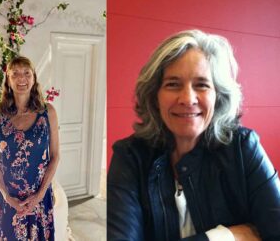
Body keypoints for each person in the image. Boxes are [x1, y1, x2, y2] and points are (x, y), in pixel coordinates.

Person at [107, 30, 280, 241]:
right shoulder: (129, 157)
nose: (188, 99)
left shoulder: (244, 148)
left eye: (202, 85)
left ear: (218, 95)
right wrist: (225, 236)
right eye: (173, 84)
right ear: (154, 95)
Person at [0, 56, 59, 240]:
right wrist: (6, 196)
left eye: (27, 73)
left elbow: (55, 156)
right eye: (15, 74)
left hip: (39, 196)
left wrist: (39, 195)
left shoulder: (48, 112)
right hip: (8, 196)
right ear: (8, 80)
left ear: (34, 78)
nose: (22, 79)